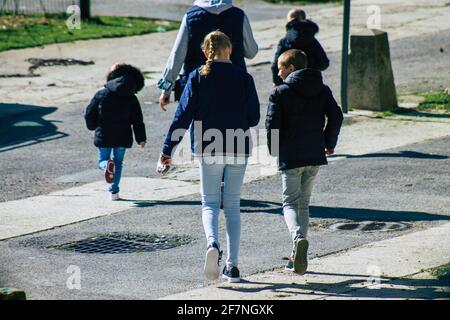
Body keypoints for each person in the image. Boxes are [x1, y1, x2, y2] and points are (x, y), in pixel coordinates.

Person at [158, 31, 260, 282]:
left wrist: (167, 150)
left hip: (207, 146)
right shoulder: (244, 77)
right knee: (233, 205)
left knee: (210, 203)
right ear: (231, 50)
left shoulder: (197, 77)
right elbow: (254, 117)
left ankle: (212, 244)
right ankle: (233, 266)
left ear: (206, 52)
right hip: (238, 145)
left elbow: (181, 117)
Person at [265, 49, 343, 274]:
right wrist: (329, 142)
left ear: (291, 68)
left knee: (289, 203)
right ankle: (296, 256)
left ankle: (298, 239)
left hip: (291, 156)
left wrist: (275, 149)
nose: (278, 72)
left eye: (280, 68)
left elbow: (272, 125)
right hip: (314, 154)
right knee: (304, 204)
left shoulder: (280, 93)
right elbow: (336, 115)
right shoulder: (322, 89)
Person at [157, 0, 258, 111]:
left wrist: (166, 89)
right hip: (232, 85)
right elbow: (251, 52)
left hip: (198, 86)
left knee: (198, 126)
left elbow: (177, 56)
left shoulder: (190, 16)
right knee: (231, 125)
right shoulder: (239, 16)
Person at [84, 63, 147, 200]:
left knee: (103, 160)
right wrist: (141, 138)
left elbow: (89, 113)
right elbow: (137, 120)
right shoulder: (132, 98)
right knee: (118, 163)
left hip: (104, 134)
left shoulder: (102, 94)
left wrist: (92, 126)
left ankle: (106, 166)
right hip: (123, 136)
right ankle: (114, 192)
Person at [271, 8, 329, 86]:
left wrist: (277, 83)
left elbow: (276, 66)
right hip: (311, 84)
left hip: (289, 85)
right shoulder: (313, 41)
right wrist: (311, 69)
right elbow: (324, 63)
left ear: (289, 21)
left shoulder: (285, 41)